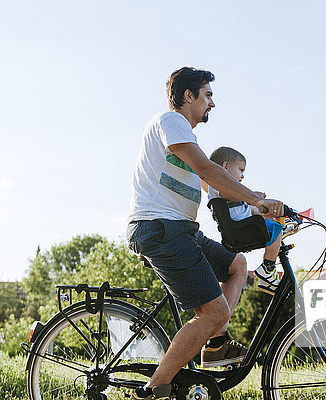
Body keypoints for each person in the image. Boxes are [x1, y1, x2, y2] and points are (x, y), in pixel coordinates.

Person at [126, 67, 283, 399]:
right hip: (161, 229)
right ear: (189, 96)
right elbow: (208, 169)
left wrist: (257, 204)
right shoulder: (171, 122)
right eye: (207, 95)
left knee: (237, 264)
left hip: (180, 230)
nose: (212, 102)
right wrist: (257, 199)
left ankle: (214, 344)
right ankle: (153, 391)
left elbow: (216, 185)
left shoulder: (183, 137)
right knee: (213, 311)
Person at [207, 146, 283, 295]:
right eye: (241, 170)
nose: (243, 176)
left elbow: (249, 208)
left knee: (271, 222)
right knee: (276, 229)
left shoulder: (228, 190)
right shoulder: (218, 184)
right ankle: (268, 269)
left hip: (245, 222)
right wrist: (253, 196)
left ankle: (281, 227)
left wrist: (260, 206)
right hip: (240, 228)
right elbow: (230, 195)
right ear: (226, 166)